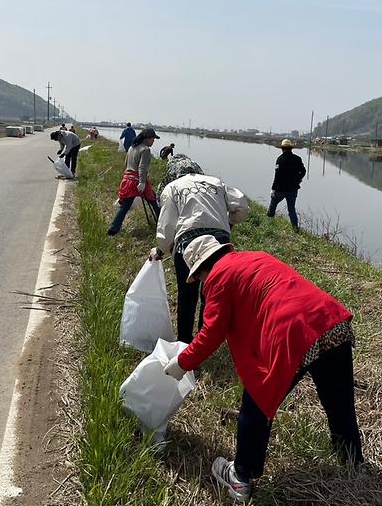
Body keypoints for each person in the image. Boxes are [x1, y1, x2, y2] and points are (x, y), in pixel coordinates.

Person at [164, 236, 363, 501]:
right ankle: (351, 460)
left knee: (257, 399)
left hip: (293, 334)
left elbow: (212, 332)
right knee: (338, 399)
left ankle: (241, 477)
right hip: (331, 320)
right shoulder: (255, 256)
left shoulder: (217, 278)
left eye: (198, 277)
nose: (201, 282)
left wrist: (181, 363)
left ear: (201, 270)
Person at [153, 164, 249, 343]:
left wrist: (161, 249)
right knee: (212, 293)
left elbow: (167, 227)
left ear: (174, 174)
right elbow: (242, 206)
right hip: (218, 243)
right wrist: (228, 223)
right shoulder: (216, 182)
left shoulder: (172, 187)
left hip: (187, 244)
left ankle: (184, 343)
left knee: (186, 296)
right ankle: (205, 339)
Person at [107, 128, 161, 235]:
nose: (153, 141)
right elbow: (142, 167)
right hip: (137, 180)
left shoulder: (132, 147)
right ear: (147, 139)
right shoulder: (145, 149)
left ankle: (113, 228)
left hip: (127, 179)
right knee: (153, 201)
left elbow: (126, 163)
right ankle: (161, 223)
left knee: (126, 205)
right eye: (152, 139)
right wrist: (142, 182)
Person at [266, 139, 306, 228]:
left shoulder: (280, 159)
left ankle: (269, 223)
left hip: (280, 189)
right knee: (291, 209)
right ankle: (295, 228)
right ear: (291, 148)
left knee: (273, 204)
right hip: (293, 189)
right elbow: (303, 171)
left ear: (282, 148)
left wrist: (273, 189)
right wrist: (298, 180)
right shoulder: (297, 159)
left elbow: (277, 175)